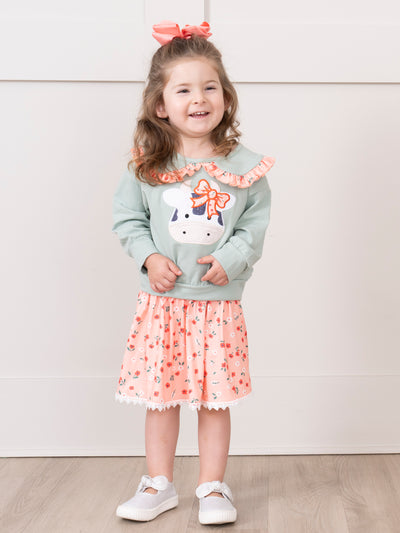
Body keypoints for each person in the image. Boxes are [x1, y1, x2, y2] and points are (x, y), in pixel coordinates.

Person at [112, 20, 275, 525]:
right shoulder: (147, 165)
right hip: (161, 304)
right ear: (161, 104)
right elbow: (128, 218)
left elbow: (253, 225)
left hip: (216, 306)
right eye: (183, 89)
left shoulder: (244, 168)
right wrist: (148, 257)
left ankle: (212, 487)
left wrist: (232, 259)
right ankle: (158, 483)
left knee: (213, 401)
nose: (198, 98)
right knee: (160, 401)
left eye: (209, 88)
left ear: (225, 97)